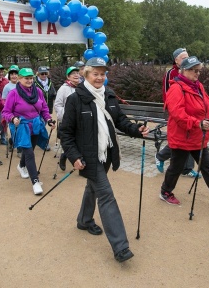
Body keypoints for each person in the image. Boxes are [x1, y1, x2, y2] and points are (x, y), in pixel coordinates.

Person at [59, 57, 150, 263]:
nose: (100, 77)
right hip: (88, 157)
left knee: (93, 188)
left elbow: (120, 120)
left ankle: (84, 220)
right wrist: (73, 156)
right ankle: (120, 247)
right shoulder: (76, 99)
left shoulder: (109, 95)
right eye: (95, 73)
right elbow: (66, 133)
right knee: (106, 195)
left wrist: (137, 130)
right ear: (86, 74)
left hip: (106, 154)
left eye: (102, 74)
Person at [159, 56, 209, 211]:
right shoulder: (176, 88)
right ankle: (165, 191)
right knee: (176, 167)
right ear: (184, 70)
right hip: (182, 136)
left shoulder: (198, 86)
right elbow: (177, 114)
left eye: (198, 71)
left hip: (197, 136)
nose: (197, 74)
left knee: (207, 167)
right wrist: (197, 123)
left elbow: (205, 107)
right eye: (194, 71)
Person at [2, 68, 54, 193]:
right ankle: (35, 182)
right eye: (26, 78)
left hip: (36, 124)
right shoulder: (13, 93)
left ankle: (21, 166)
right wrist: (13, 118)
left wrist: (48, 119)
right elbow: (5, 112)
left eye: (31, 78)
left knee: (29, 148)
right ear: (19, 79)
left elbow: (44, 108)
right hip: (22, 126)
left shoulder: (38, 92)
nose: (29, 80)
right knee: (29, 153)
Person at [154, 47, 201, 178]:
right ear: (176, 60)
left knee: (191, 138)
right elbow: (167, 94)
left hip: (190, 111)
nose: (187, 59)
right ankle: (161, 156)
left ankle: (187, 168)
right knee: (180, 140)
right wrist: (173, 111)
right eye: (183, 57)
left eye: (188, 56)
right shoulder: (171, 73)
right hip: (176, 113)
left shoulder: (190, 71)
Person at [53, 66, 81, 170]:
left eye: (77, 73)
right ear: (68, 77)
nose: (76, 75)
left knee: (80, 141)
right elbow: (57, 105)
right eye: (73, 73)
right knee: (69, 141)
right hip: (68, 120)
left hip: (80, 120)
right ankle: (64, 156)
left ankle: (79, 161)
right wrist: (65, 116)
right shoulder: (63, 88)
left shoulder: (82, 87)